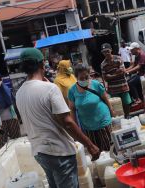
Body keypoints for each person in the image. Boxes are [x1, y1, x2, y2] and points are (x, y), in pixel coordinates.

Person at [16, 48, 100, 188]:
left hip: (40, 152)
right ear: (41, 64)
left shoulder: (19, 93)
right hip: (58, 151)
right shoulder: (49, 88)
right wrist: (90, 145)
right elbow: (67, 122)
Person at [68, 63, 115, 152]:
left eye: (87, 77)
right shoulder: (72, 91)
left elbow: (106, 99)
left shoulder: (96, 84)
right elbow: (72, 109)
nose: (85, 80)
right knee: (96, 151)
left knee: (110, 149)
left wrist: (111, 111)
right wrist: (76, 126)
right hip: (87, 126)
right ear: (76, 77)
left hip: (103, 121)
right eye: (81, 78)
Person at [101, 43, 132, 117]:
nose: (106, 53)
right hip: (113, 89)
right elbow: (105, 78)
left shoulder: (118, 58)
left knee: (127, 103)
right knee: (116, 106)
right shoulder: (103, 64)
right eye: (104, 52)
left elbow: (123, 71)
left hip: (123, 86)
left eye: (107, 51)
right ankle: (121, 118)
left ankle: (127, 116)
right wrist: (116, 73)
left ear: (111, 50)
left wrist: (111, 75)